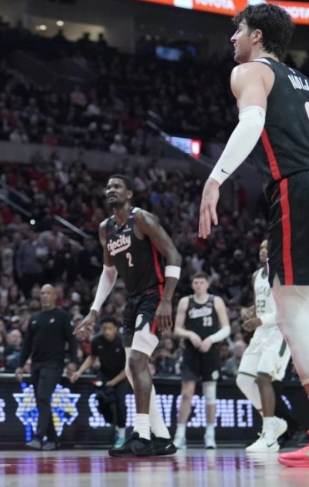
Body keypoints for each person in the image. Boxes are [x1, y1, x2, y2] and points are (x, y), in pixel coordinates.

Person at [198, 3, 309, 468]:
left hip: (300, 187)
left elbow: (251, 123)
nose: (232, 38)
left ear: (256, 36)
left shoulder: (252, 71)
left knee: (291, 313)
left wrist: (215, 179)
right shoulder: (308, 84)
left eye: (237, 29)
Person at [74, 174, 181, 458]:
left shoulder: (142, 219)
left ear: (130, 193)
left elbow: (173, 254)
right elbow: (109, 272)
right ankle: (161, 437)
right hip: (133, 302)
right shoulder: (105, 228)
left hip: (155, 296)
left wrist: (167, 300)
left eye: (117, 186)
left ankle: (141, 435)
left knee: (136, 362)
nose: (111, 190)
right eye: (108, 187)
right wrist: (94, 311)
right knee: (134, 371)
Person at [237, 239, 291, 452]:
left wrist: (262, 320)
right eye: (261, 247)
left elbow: (288, 309)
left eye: (268, 247)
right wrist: (250, 311)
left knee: (262, 377)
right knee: (243, 379)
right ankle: (274, 422)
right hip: (261, 334)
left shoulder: (282, 274)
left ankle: (269, 437)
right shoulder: (255, 276)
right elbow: (260, 303)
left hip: (279, 332)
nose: (263, 250)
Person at [16, 285, 77, 451]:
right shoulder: (35, 318)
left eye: (48, 293)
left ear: (55, 296)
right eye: (42, 293)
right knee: (41, 401)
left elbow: (71, 340)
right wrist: (20, 365)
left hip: (54, 364)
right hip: (36, 364)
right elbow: (27, 344)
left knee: (43, 397)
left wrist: (72, 361)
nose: (44, 296)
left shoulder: (62, 316)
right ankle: (53, 438)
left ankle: (38, 437)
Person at [173, 273, 230, 449]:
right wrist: (190, 334)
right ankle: (180, 435)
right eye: (195, 282)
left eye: (201, 282)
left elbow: (226, 328)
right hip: (191, 351)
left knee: (210, 394)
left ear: (207, 284)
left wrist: (211, 339)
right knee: (186, 394)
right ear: (192, 285)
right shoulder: (185, 301)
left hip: (210, 351)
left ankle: (209, 435)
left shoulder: (216, 301)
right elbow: (177, 329)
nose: (198, 285)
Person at [70, 316, 128, 449]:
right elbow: (92, 357)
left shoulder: (123, 342)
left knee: (120, 402)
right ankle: (112, 424)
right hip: (104, 376)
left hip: (121, 377)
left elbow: (128, 368)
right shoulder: (97, 341)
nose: (107, 331)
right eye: (104, 328)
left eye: (110, 329)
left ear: (116, 329)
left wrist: (114, 382)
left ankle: (122, 436)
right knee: (101, 401)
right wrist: (79, 372)